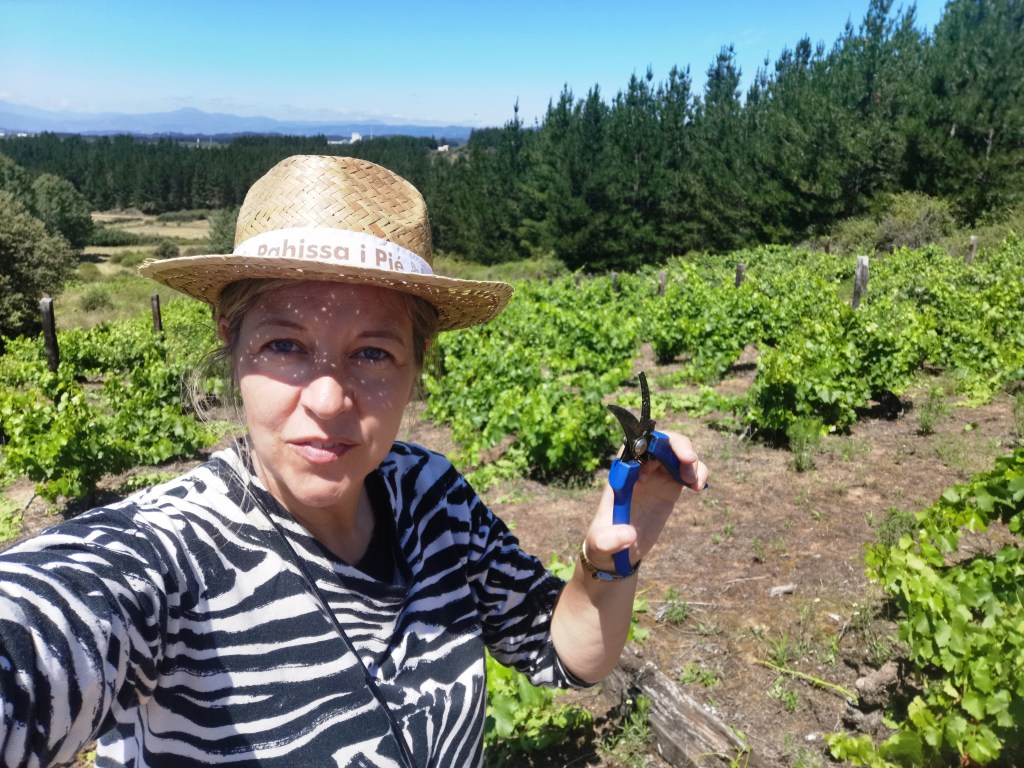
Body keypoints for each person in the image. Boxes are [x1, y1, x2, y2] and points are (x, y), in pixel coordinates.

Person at [0, 155, 708, 768]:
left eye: (372, 353)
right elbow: (37, 633)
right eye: (285, 345)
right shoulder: (166, 555)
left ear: (416, 363)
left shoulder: (432, 497)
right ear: (231, 341)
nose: (329, 399)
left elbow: (567, 656)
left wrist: (611, 557)